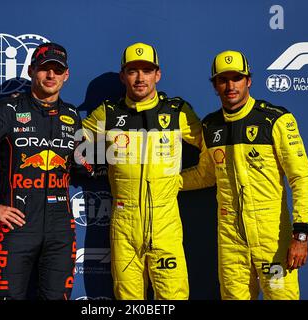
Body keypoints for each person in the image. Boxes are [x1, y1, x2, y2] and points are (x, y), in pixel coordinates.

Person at [0, 42, 83, 300]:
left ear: (67, 75)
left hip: (61, 231)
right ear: (32, 71)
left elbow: (83, 164)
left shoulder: (72, 115)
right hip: (18, 227)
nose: (51, 75)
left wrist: (118, 153)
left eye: (58, 69)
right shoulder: (7, 110)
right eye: (45, 69)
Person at [180, 50, 308, 300]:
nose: (231, 86)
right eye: (223, 80)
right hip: (231, 243)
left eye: (237, 78)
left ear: (248, 81)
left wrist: (301, 235)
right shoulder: (211, 126)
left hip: (273, 241)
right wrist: (168, 182)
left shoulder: (275, 120)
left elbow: (301, 178)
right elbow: (206, 175)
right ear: (215, 86)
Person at [82, 42, 202, 299]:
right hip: (124, 224)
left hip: (165, 224)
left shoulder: (177, 111)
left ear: (157, 75)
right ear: (123, 76)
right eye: (133, 71)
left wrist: (181, 182)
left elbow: (216, 149)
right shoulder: (108, 113)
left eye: (146, 70)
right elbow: (70, 144)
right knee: (128, 298)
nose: (140, 78)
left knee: (172, 297)